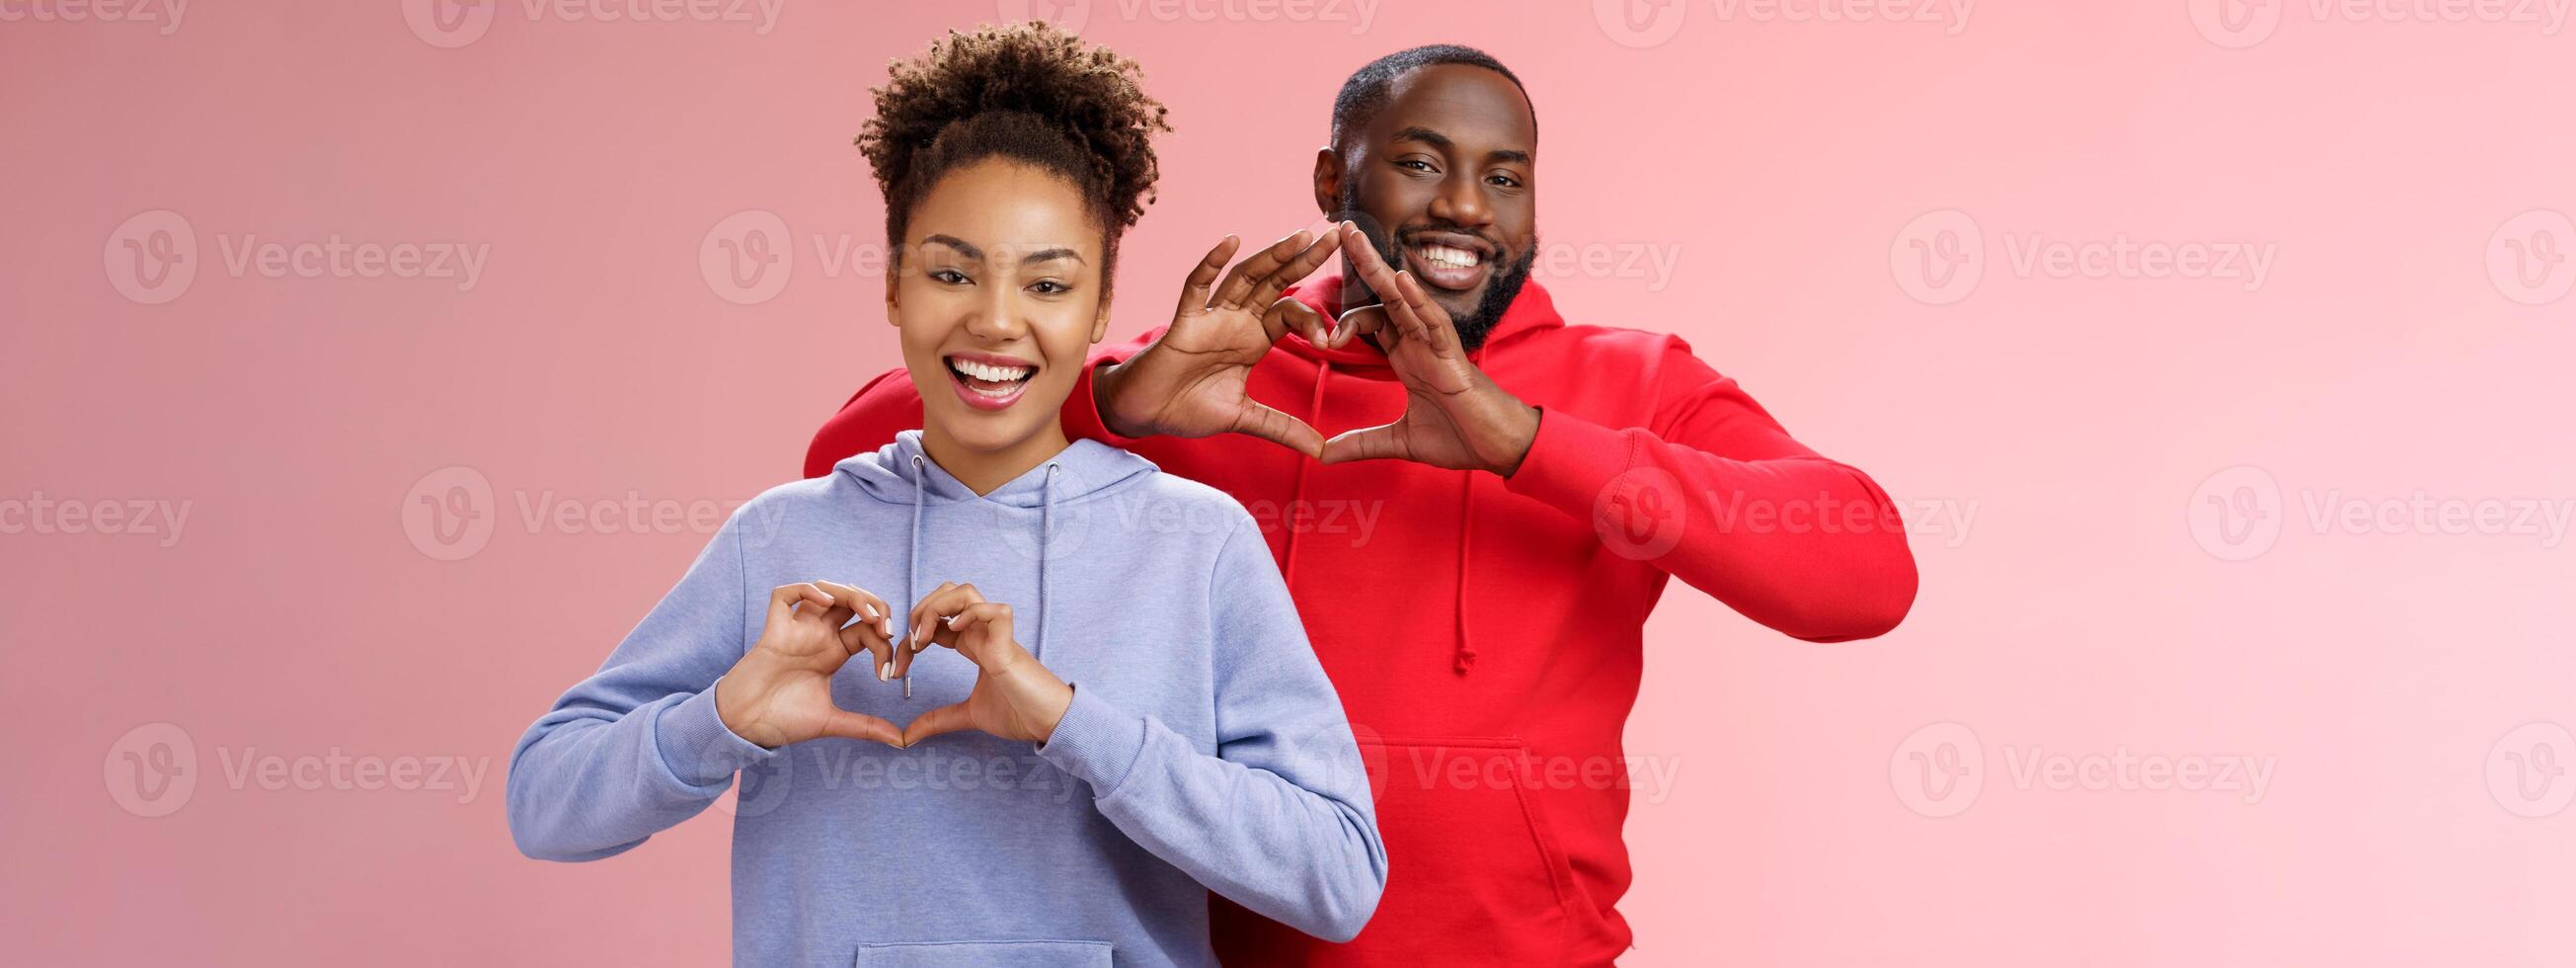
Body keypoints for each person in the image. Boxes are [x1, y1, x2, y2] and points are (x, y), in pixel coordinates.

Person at [802, 42, 1921, 966]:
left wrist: (1522, 440)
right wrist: (1112, 405)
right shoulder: (1212, 379)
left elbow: (1864, 568)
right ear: (1333, 184)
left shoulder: (1627, 382)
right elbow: (845, 457)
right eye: (1420, 164)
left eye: (1503, 175)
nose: (1462, 207)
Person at [507, 24, 1385, 966]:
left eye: (1047, 283)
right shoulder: (780, 539)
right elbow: (544, 807)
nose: (996, 320)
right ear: (893, 285)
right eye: (951, 272)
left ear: (1098, 310)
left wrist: (1068, 721)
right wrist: (721, 717)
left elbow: (1336, 879)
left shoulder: (1194, 544)